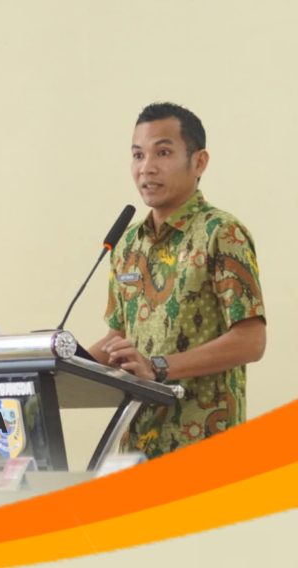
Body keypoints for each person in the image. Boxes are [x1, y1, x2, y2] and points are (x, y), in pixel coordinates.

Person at [88, 102, 266, 458]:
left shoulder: (221, 233)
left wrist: (157, 367)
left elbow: (251, 340)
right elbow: (118, 339)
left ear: (199, 162)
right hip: (137, 447)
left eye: (163, 152)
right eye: (138, 155)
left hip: (204, 448)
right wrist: (52, 365)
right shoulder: (127, 243)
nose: (147, 167)